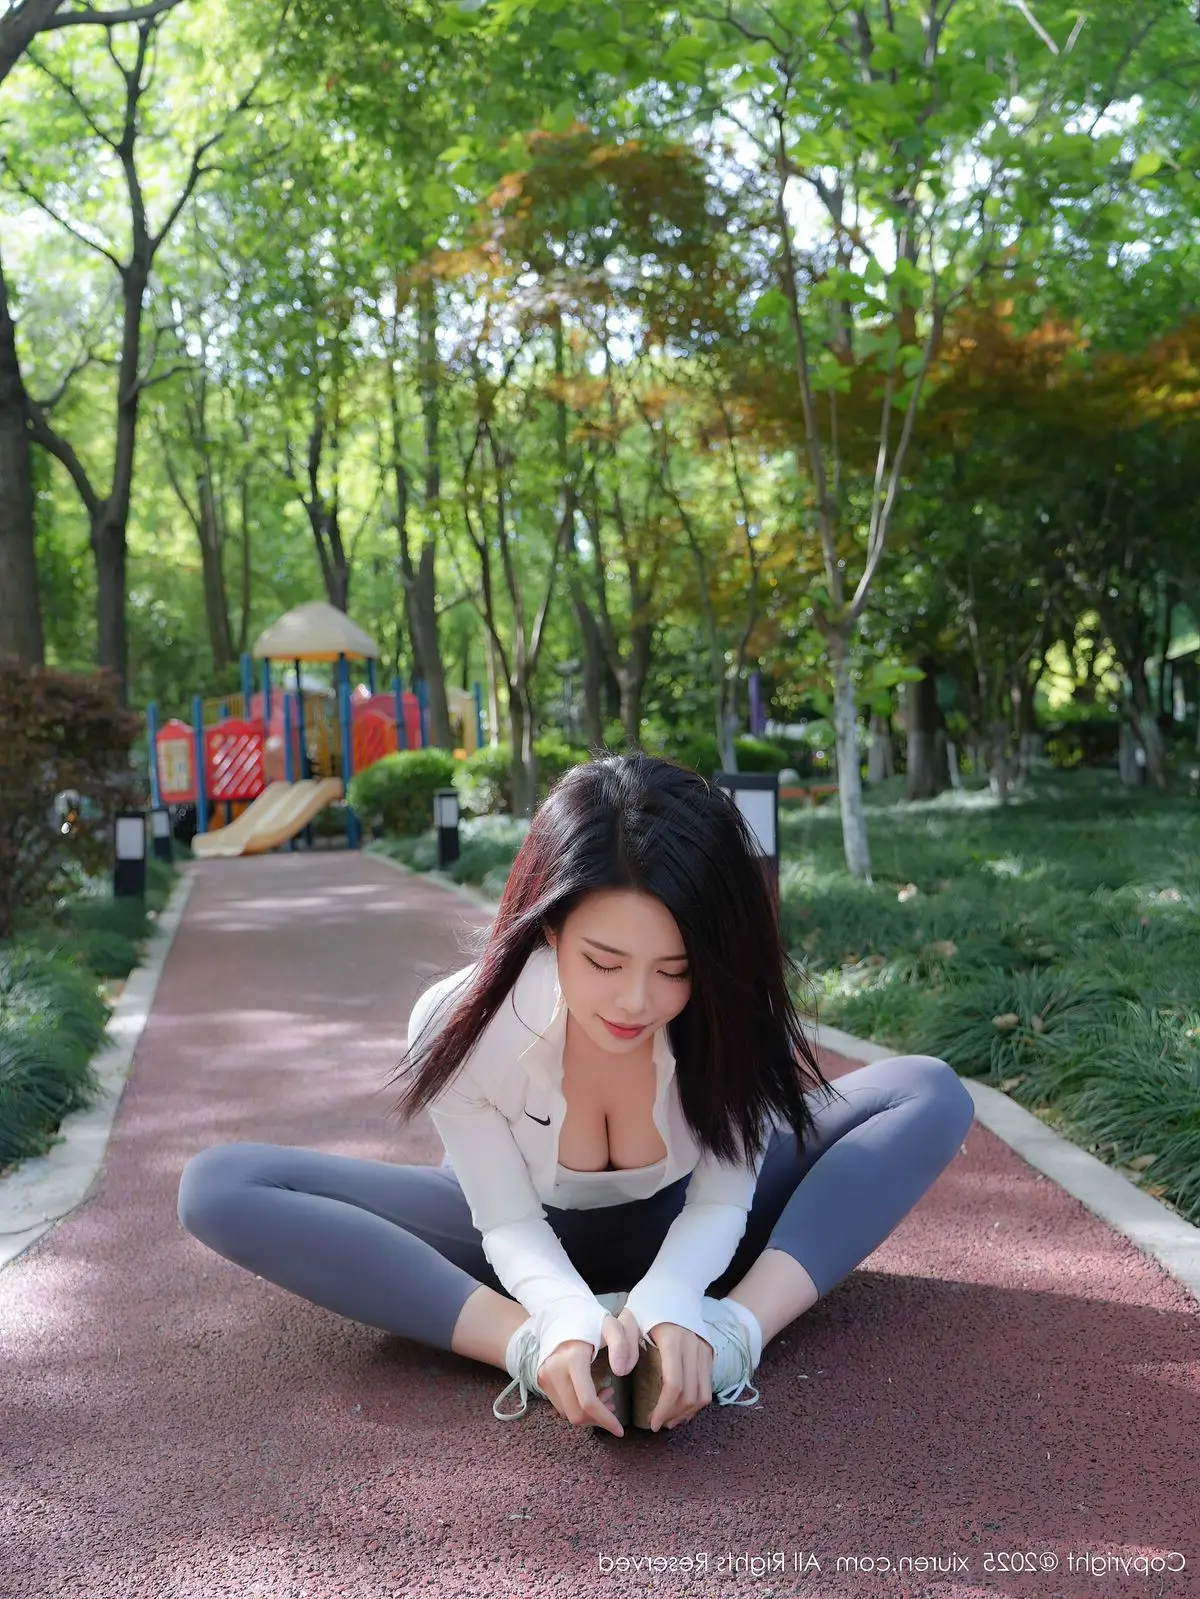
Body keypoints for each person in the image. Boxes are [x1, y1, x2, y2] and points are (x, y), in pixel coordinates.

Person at [178, 752, 975, 1439]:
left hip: (698, 1226)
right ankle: (528, 1345)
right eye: (604, 961)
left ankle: (734, 1332)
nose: (636, 1000)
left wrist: (681, 1303)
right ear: (550, 926)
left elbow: (721, 1200)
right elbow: (507, 1221)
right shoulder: (460, 1019)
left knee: (927, 1091)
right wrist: (554, 1324)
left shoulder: (733, 1004)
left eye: (674, 970)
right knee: (220, 1186)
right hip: (512, 1240)